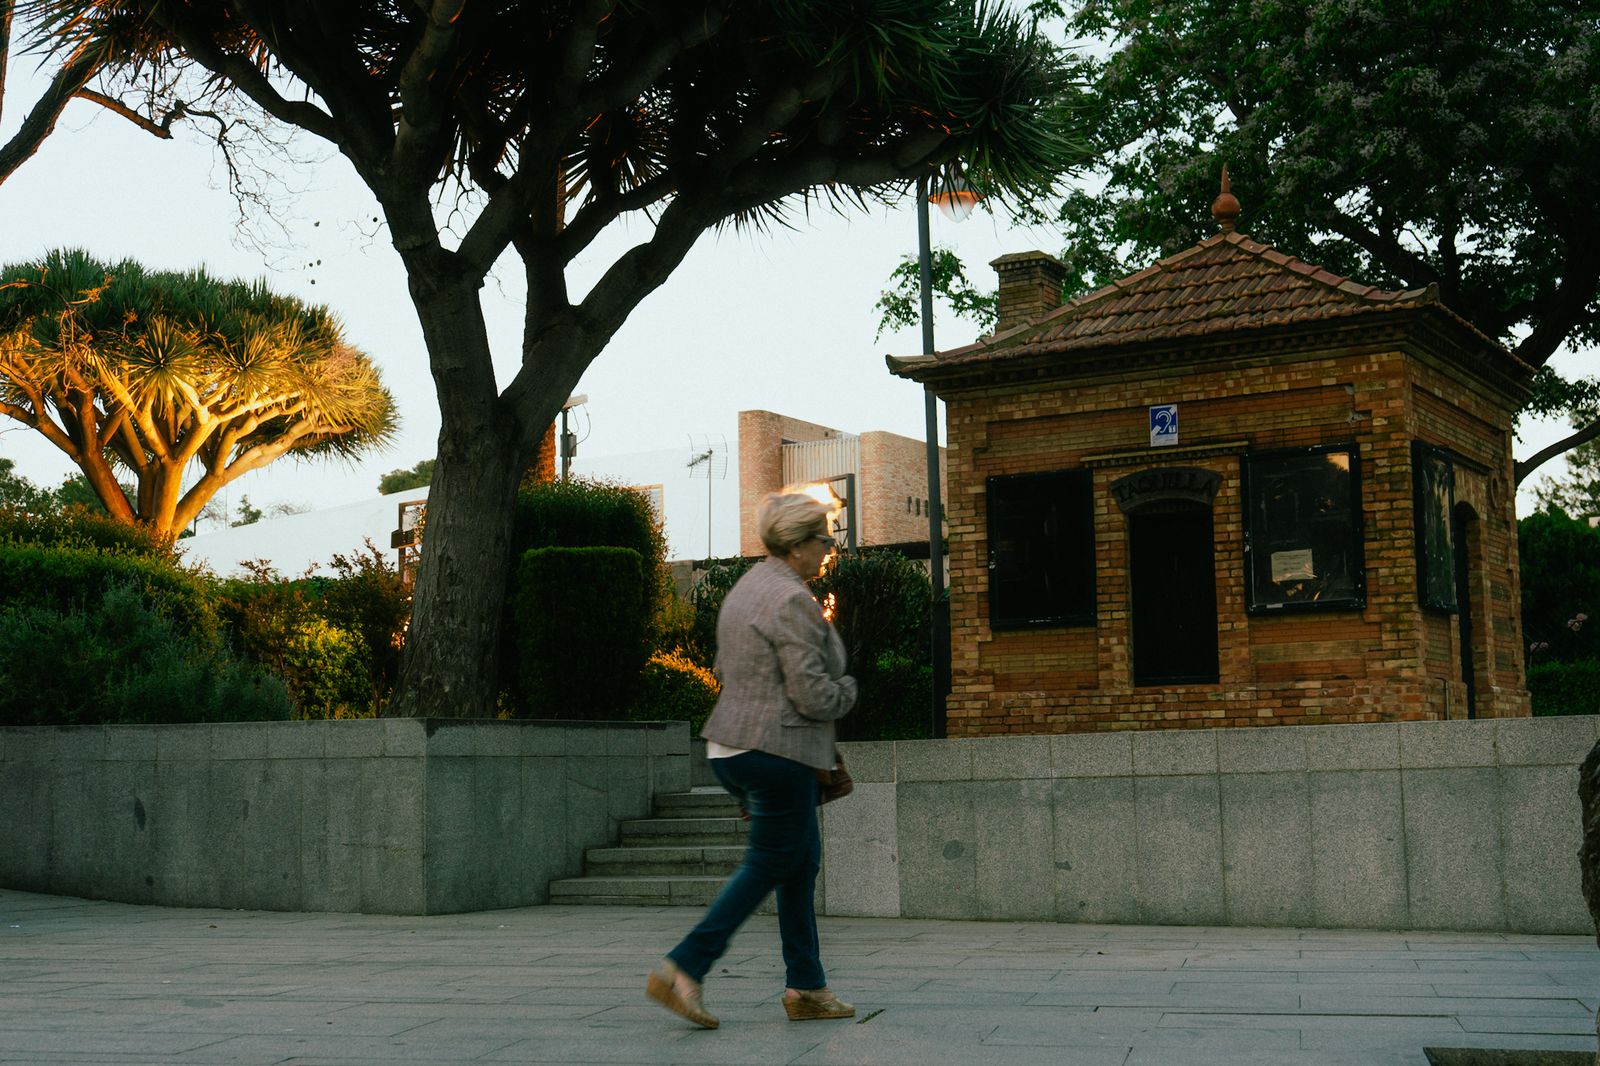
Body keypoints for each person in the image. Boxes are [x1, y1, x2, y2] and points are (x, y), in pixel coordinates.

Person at [646, 491, 858, 1029]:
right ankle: (685, 967)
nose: (827, 550)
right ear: (797, 545)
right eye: (822, 540)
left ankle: (807, 987)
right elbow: (811, 694)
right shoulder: (790, 598)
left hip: (732, 745)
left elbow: (727, 665)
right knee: (769, 862)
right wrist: (848, 691)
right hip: (776, 749)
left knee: (798, 862)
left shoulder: (746, 588)